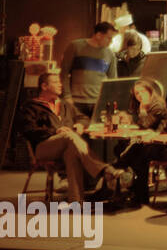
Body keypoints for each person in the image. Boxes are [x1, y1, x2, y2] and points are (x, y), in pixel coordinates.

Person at [18, 71, 122, 202]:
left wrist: (80, 124)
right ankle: (104, 170)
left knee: (71, 153)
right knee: (69, 136)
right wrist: (55, 131)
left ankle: (76, 202)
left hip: (68, 144)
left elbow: (84, 118)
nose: (60, 85)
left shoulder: (65, 105)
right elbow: (28, 130)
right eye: (56, 82)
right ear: (44, 86)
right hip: (43, 147)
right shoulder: (31, 106)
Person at [114, 79, 167, 207]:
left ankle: (128, 181)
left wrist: (143, 110)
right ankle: (137, 192)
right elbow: (141, 127)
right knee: (122, 148)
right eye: (137, 93)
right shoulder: (147, 105)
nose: (139, 95)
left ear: (150, 91)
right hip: (150, 142)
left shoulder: (157, 106)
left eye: (142, 91)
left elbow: (145, 124)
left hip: (162, 146)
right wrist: (129, 120)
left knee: (136, 155)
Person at [60, 22, 118, 118]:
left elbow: (113, 80)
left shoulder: (110, 54)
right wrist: (67, 96)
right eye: (109, 38)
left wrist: (109, 100)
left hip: (99, 102)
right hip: (76, 101)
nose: (111, 42)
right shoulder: (75, 46)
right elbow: (64, 73)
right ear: (99, 35)